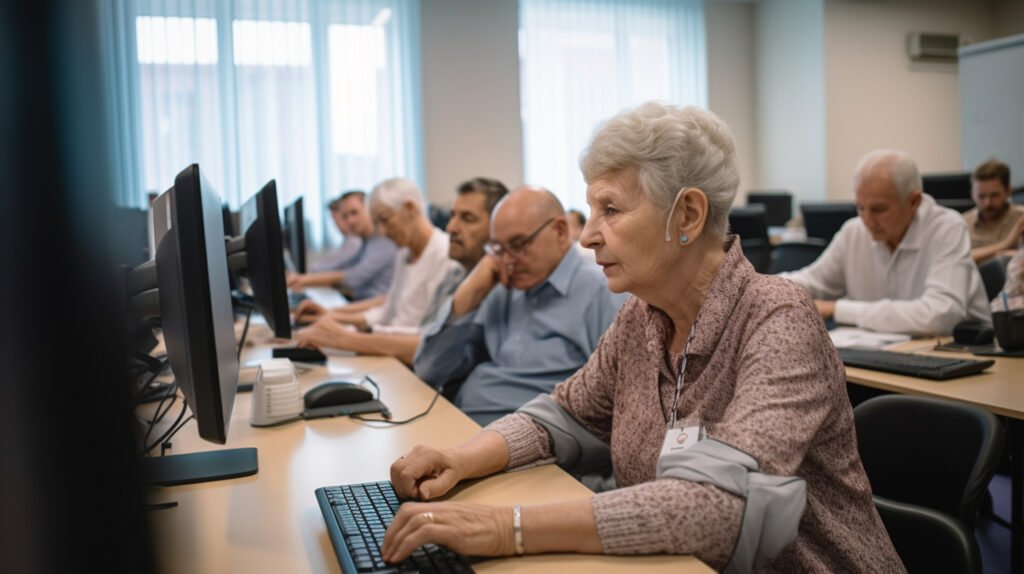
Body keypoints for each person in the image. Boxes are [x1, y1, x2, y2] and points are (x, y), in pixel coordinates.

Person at [381, 103, 903, 572]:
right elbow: (565, 414)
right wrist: (463, 458)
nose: (587, 235)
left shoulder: (778, 319)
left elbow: (715, 505)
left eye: (610, 209)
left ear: (689, 215)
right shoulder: (641, 319)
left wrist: (505, 528)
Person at [413, 185, 624, 427]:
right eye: (498, 249)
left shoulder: (601, 292)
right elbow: (429, 370)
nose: (507, 260)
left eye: (518, 244)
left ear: (560, 231)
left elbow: (615, 409)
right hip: (460, 424)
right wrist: (467, 296)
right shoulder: (502, 287)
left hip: (531, 448)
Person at [293, 178, 507, 364]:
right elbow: (390, 312)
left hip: (406, 357)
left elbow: (428, 339)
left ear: (410, 209)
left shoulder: (447, 256)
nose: (383, 232)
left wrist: (346, 335)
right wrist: (335, 317)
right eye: (452, 216)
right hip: (397, 352)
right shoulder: (405, 254)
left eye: (385, 220)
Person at [782, 149, 990, 335]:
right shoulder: (854, 231)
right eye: (860, 208)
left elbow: (940, 315)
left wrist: (838, 309)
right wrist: (762, 286)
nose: (867, 221)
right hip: (887, 354)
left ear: (914, 202)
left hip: (963, 355)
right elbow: (812, 281)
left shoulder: (946, 228)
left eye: (879, 209)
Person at [286, 191, 397, 300]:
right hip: (364, 304)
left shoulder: (384, 241)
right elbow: (348, 269)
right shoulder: (367, 241)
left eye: (354, 213)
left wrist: (303, 280)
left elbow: (353, 277)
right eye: (344, 217)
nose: (350, 221)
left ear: (370, 210)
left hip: (373, 310)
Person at [963, 159, 1024, 264]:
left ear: (1008, 191)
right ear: (972, 194)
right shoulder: (962, 222)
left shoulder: (1021, 218)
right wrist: (1005, 245)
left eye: (994, 195)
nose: (987, 203)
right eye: (981, 196)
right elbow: (957, 259)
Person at [308, 193, 363, 273]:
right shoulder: (348, 240)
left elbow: (334, 266)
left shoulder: (355, 241)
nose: (335, 224)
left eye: (337, 219)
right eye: (333, 220)